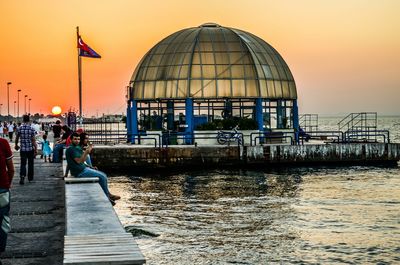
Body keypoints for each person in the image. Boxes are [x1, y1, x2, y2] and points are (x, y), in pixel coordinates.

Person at [65, 133, 120, 205]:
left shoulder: (76, 148)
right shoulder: (71, 149)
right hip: (80, 172)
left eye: (78, 139)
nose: (77, 141)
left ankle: (108, 195)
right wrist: (86, 152)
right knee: (102, 177)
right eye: (75, 139)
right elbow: (79, 161)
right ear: (71, 140)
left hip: (83, 169)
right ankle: (107, 198)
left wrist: (66, 174)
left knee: (103, 175)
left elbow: (76, 162)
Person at [0, 135, 14, 255]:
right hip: (2, 189)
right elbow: (11, 169)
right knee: (3, 222)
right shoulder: (3, 143)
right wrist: (7, 185)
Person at [15, 115, 38, 184]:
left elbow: (17, 138)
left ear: (23, 120)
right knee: (30, 164)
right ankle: (30, 178)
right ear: (29, 120)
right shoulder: (31, 128)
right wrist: (36, 149)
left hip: (23, 149)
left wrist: (16, 145)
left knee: (23, 164)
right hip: (30, 149)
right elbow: (33, 140)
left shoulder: (19, 128)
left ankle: (22, 176)